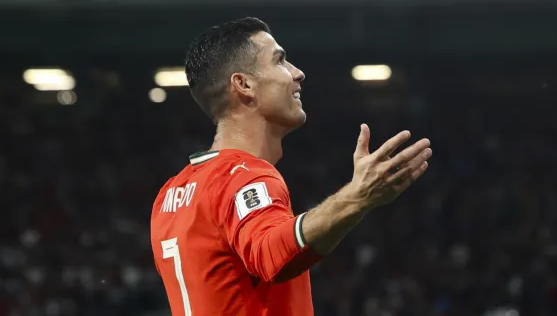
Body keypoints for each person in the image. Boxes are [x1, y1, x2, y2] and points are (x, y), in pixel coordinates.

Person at [150, 17, 433, 315]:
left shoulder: (170, 194)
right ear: (244, 84)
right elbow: (271, 254)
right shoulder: (244, 176)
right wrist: (356, 197)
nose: (298, 73)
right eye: (280, 61)